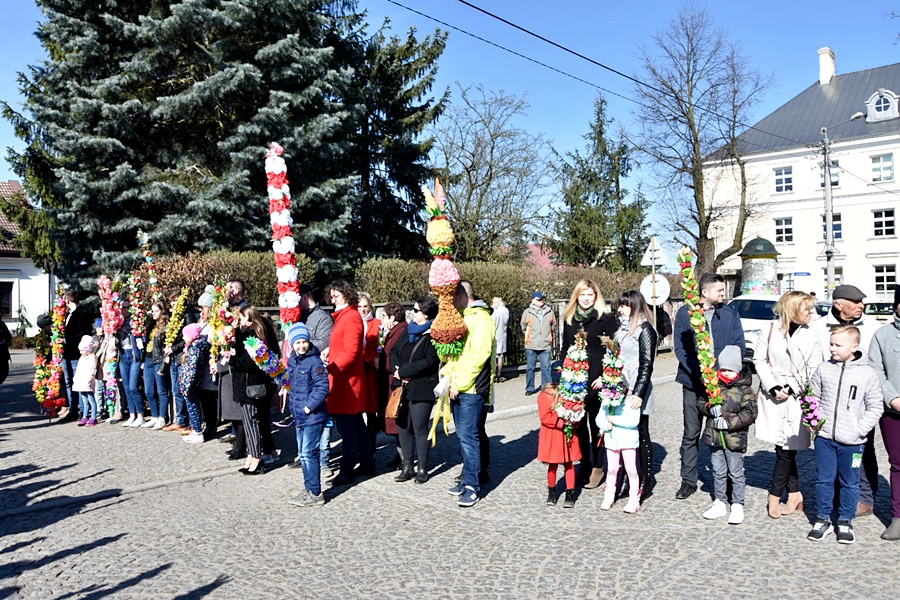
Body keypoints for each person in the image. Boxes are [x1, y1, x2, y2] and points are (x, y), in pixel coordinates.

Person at [807, 325, 884, 544]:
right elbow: (813, 397)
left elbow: (875, 406)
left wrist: (859, 429)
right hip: (825, 438)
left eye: (838, 345)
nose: (832, 348)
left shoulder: (867, 374)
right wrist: (814, 422)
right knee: (823, 479)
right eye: (831, 344)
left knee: (850, 482)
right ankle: (822, 518)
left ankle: (845, 520)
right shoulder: (824, 369)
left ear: (854, 347)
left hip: (852, 442)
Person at [813, 284, 884, 517]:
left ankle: (865, 497)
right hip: (830, 406)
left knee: (864, 455)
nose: (862, 305)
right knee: (830, 459)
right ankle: (835, 497)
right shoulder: (819, 328)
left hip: (858, 406)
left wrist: (861, 426)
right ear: (839, 305)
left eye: (862, 301)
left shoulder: (872, 328)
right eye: (856, 302)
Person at [673, 272, 745, 500]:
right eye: (719, 290)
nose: (723, 293)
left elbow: (738, 345)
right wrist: (700, 375)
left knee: (722, 430)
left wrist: (724, 373)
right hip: (693, 383)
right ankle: (688, 480)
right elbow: (681, 349)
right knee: (691, 433)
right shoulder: (685, 314)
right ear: (704, 292)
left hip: (722, 384)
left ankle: (726, 481)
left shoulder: (730, 314)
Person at [753, 291, 822, 519]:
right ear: (792, 310)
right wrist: (772, 386)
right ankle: (795, 493)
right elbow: (759, 359)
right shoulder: (769, 329)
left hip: (797, 396)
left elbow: (814, 366)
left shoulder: (812, 334)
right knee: (783, 446)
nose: (811, 312)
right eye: (806, 308)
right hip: (773, 395)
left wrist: (791, 387)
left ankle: (774, 495)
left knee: (786, 448)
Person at [561, 279, 617, 489]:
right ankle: (584, 464)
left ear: (596, 297)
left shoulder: (605, 319)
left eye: (590, 295)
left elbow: (614, 350)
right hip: (576, 381)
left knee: (596, 425)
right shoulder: (569, 319)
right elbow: (565, 348)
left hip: (596, 379)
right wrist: (564, 373)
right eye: (582, 294)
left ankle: (598, 466)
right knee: (579, 426)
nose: (586, 299)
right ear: (576, 296)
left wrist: (605, 376)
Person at [445, 280, 495, 508]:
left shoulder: (481, 319)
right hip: (458, 386)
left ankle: (472, 486)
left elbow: (478, 356)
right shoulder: (464, 316)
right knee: (464, 437)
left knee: (469, 437)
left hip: (472, 389)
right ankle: (468, 478)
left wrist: (461, 383)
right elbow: (458, 354)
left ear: (461, 296)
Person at [698, 345, 757, 525]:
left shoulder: (745, 390)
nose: (725, 373)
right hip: (714, 437)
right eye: (723, 369)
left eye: (729, 370)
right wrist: (709, 408)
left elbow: (750, 413)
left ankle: (737, 504)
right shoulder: (712, 386)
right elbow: (701, 402)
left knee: (736, 472)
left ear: (737, 370)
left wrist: (729, 423)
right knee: (718, 471)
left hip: (734, 439)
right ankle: (720, 501)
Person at [325, 279, 375, 486]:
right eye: (332, 296)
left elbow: (352, 353)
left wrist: (329, 369)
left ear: (346, 294)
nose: (333, 299)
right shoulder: (345, 316)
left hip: (347, 382)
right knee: (356, 425)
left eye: (336, 296)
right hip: (344, 379)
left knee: (347, 429)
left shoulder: (351, 317)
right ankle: (367, 463)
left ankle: (347, 470)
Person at [390, 297, 440, 484]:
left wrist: (404, 371)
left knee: (419, 428)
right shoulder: (409, 329)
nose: (413, 312)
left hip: (422, 386)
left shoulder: (433, 333)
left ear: (426, 314)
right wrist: (397, 370)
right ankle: (407, 466)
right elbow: (394, 351)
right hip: (402, 386)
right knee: (403, 426)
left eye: (416, 310)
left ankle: (422, 468)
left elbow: (429, 361)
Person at [615, 290, 658, 500]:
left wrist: (639, 392)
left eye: (623, 305)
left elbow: (647, 364)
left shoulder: (645, 329)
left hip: (638, 390)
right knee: (624, 436)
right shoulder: (622, 330)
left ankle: (645, 480)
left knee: (641, 434)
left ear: (633, 306)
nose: (619, 309)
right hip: (621, 389)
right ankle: (626, 477)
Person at [284, 322, 330, 507]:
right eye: (298, 343)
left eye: (304, 342)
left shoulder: (314, 361)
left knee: (309, 453)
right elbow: (290, 382)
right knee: (303, 455)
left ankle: (316, 493)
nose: (301, 346)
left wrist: (309, 407)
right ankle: (309, 488)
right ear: (292, 344)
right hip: (299, 415)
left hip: (312, 416)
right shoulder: (292, 360)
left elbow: (322, 387)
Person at [868, 284, 900, 540]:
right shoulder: (883, 335)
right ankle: (898, 517)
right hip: (894, 412)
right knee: (898, 465)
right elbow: (876, 370)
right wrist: (893, 398)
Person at [232, 306, 280, 475]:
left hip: (251, 385)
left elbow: (250, 363)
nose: (241, 322)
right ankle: (251, 456)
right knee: (249, 422)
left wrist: (231, 358)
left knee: (252, 422)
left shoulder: (255, 338)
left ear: (251, 319)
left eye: (243, 319)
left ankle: (256, 457)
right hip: (246, 385)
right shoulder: (246, 335)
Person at [300, 283, 334, 475]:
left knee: (322, 418)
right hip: (302, 377)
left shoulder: (322, 318)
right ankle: (306, 453)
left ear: (305, 297)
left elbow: (323, 342)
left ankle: (324, 459)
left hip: (317, 374)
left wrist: (302, 345)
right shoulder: (299, 316)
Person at [597, 374, 642, 514]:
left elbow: (633, 421)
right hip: (612, 440)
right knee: (612, 468)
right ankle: (609, 494)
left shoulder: (632, 400)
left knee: (631, 469)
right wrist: (605, 425)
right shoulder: (607, 400)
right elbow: (599, 418)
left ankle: (634, 497)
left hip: (628, 440)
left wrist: (613, 420)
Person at [538, 378, 581, 509]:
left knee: (568, 464)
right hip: (553, 434)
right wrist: (562, 423)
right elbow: (545, 417)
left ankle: (569, 492)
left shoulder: (568, 394)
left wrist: (573, 420)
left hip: (564, 434)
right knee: (554, 464)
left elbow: (575, 411)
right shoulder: (545, 395)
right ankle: (552, 491)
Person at [164, 289, 200, 434]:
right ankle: (180, 420)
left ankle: (191, 422)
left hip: (182, 356)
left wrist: (173, 348)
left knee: (185, 390)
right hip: (174, 357)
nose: (173, 304)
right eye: (171, 301)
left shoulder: (188, 315)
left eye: (175, 300)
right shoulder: (174, 316)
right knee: (176, 390)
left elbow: (189, 338)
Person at [379, 301, 408, 470]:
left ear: (392, 318)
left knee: (398, 421)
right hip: (389, 382)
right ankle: (400, 456)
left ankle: (405, 459)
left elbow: (395, 358)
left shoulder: (400, 332)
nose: (383, 319)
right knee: (395, 421)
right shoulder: (395, 332)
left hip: (395, 383)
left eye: (385, 316)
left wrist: (381, 363)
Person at [60, 291, 93, 421]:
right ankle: (72, 410)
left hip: (76, 353)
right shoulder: (68, 314)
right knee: (69, 382)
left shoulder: (82, 313)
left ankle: (83, 411)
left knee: (78, 382)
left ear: (67, 301)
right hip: (66, 353)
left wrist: (66, 340)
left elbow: (85, 333)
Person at [177, 323, 210, 444]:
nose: (183, 337)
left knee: (193, 407)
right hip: (189, 383)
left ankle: (198, 432)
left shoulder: (195, 348)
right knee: (192, 407)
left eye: (185, 335)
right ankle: (195, 430)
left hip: (190, 384)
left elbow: (192, 369)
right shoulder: (192, 347)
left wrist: (187, 385)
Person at [139, 302, 170, 429]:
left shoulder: (166, 326)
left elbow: (165, 344)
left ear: (162, 311)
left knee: (161, 390)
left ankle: (162, 417)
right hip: (148, 359)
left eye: (156, 311)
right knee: (149, 390)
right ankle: (154, 416)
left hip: (158, 359)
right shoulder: (150, 325)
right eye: (152, 311)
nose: (154, 313)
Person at [358, 292, 382, 448]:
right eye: (359, 306)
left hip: (372, 371)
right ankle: (360, 444)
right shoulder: (352, 323)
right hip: (357, 371)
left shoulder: (378, 324)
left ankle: (371, 445)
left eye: (365, 306)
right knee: (357, 409)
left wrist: (372, 359)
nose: (363, 310)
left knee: (371, 409)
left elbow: (381, 346)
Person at [521, 291, 555, 396]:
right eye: (538, 299)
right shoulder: (527, 312)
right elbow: (523, 326)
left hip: (545, 344)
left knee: (546, 368)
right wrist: (529, 336)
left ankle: (547, 388)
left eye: (542, 299)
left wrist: (548, 336)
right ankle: (530, 388)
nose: (541, 301)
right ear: (533, 300)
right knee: (530, 368)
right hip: (531, 344)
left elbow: (553, 325)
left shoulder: (549, 311)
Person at [118, 301, 144, 426]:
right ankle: (132, 415)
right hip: (123, 355)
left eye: (128, 307)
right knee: (127, 388)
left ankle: (140, 415)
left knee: (133, 387)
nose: (125, 309)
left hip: (133, 355)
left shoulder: (135, 321)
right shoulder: (117, 321)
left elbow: (141, 336)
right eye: (123, 307)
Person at [72, 335, 99, 427]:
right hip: (80, 382)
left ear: (88, 350)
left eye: (83, 350)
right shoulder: (82, 358)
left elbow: (92, 370)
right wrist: (76, 378)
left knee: (91, 400)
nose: (81, 352)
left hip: (87, 382)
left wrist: (88, 380)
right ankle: (85, 416)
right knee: (84, 401)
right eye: (80, 350)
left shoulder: (92, 358)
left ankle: (93, 417)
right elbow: (79, 369)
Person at [491, 297, 509, 382]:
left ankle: (493, 373)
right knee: (500, 355)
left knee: (493, 355)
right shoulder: (505, 310)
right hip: (502, 334)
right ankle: (499, 373)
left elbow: (493, 323)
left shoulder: (495, 310)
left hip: (495, 334)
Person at [0, 317, 12, 386]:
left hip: (3, 355)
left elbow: (9, 337)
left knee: (4, 373)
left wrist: (4, 340)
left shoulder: (1, 324)